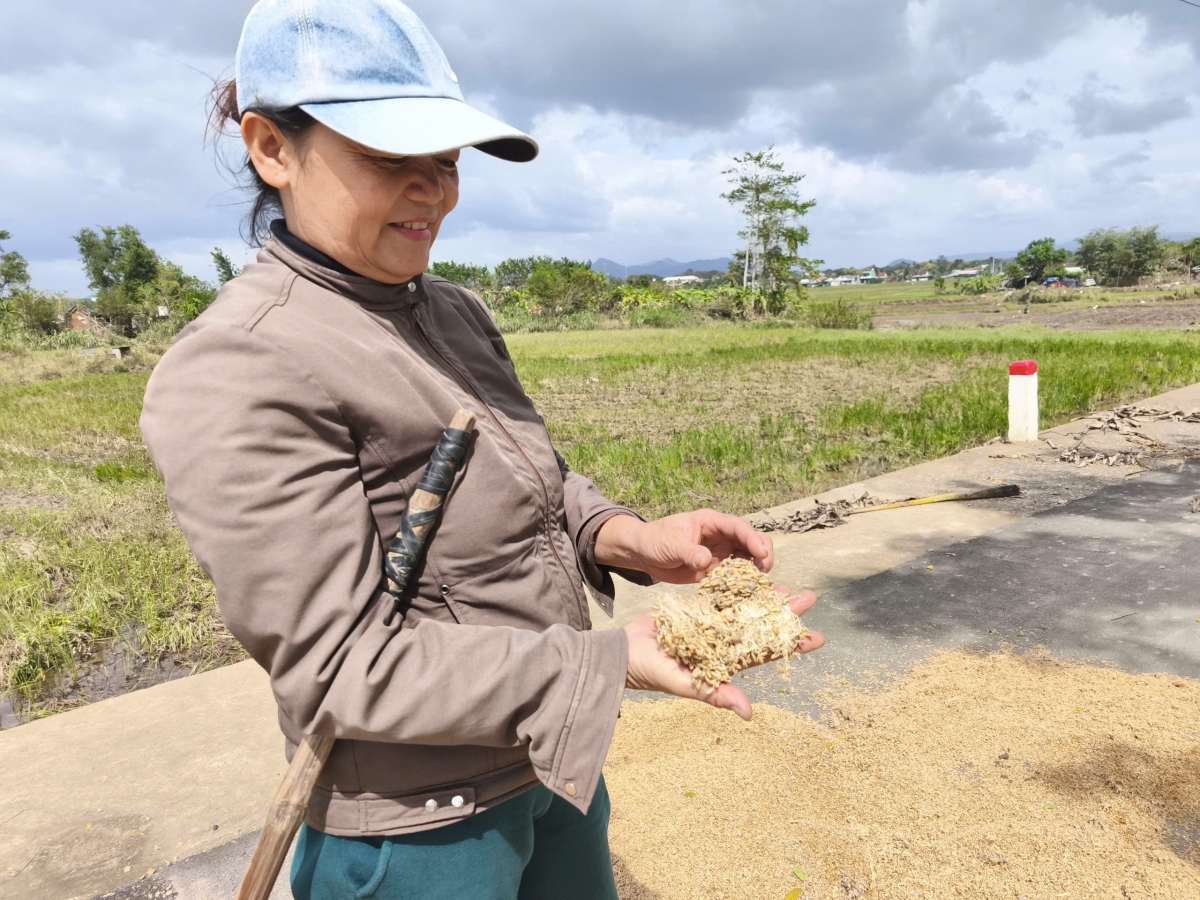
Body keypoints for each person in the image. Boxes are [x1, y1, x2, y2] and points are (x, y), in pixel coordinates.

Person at [140, 2, 824, 898]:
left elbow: (526, 482)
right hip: (421, 825)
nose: (434, 191)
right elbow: (343, 667)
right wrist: (605, 662)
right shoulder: (243, 364)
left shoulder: (449, 309)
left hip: (544, 766)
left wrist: (626, 538)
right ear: (273, 148)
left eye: (448, 161)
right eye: (392, 160)